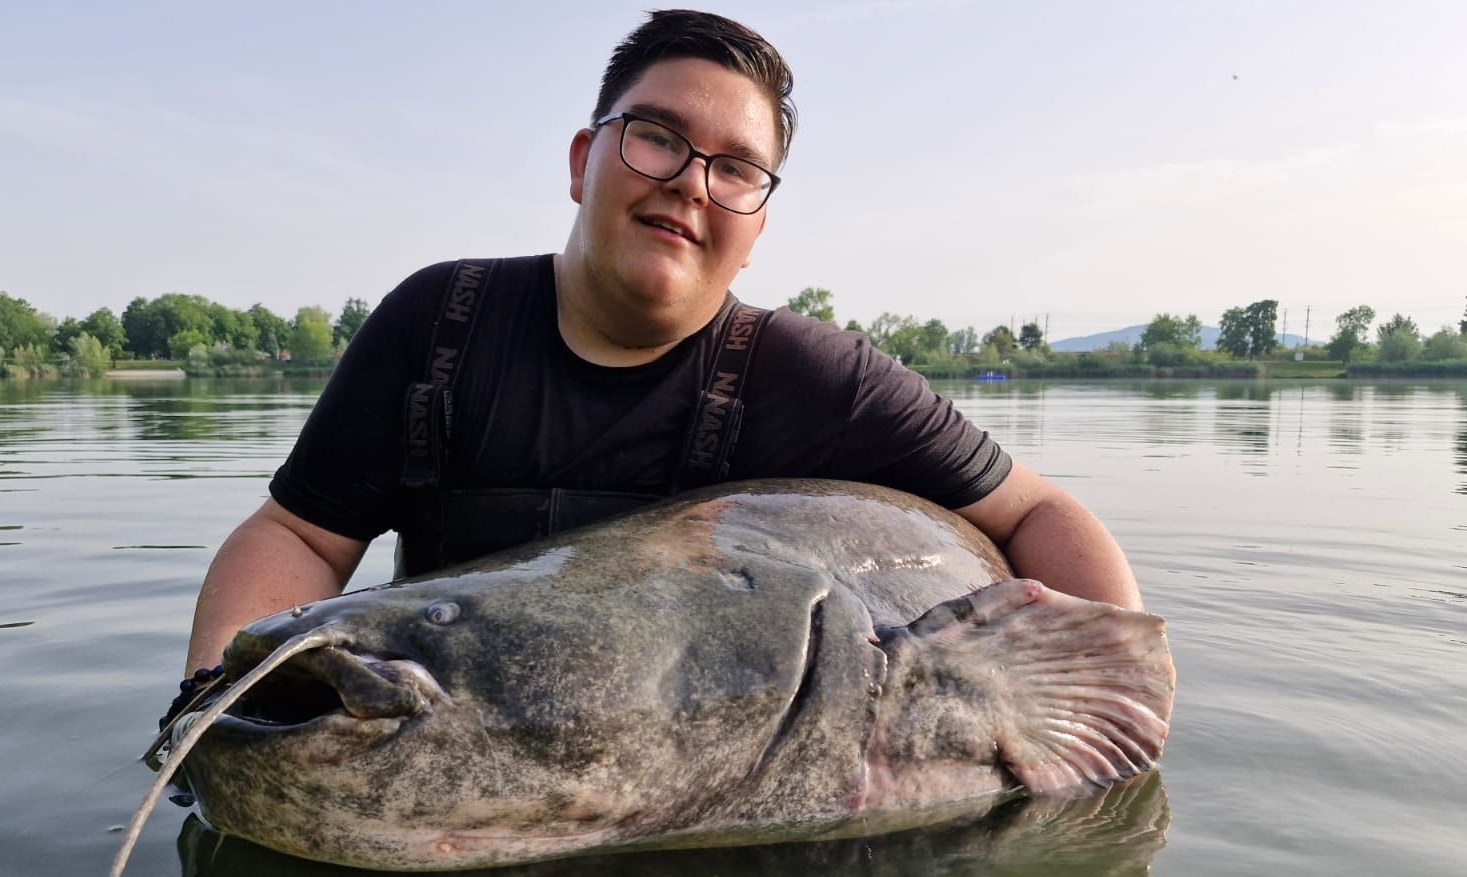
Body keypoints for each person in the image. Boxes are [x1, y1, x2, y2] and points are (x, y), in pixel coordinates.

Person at [183, 9, 1141, 675]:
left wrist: (1111, 707)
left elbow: (1037, 514)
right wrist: (213, 703)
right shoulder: (438, 327)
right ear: (582, 160)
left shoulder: (819, 380)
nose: (690, 183)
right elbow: (299, 536)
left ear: (757, 228)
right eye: (656, 137)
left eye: (737, 170)